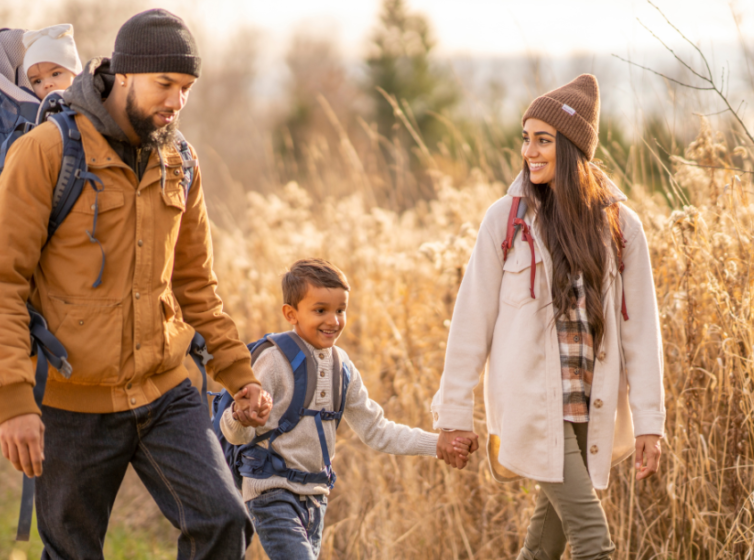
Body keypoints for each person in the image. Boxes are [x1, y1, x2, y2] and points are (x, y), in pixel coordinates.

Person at [0, 9, 271, 559]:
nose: (177, 100)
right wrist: (12, 401)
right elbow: (5, 280)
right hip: (69, 401)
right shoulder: (47, 152)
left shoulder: (181, 161)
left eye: (187, 88)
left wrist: (237, 373)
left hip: (164, 389)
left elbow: (196, 283)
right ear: (123, 74)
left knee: (222, 522)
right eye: (165, 84)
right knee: (72, 551)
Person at [431, 74, 666, 560]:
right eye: (526, 139)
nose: (530, 151)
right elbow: (471, 320)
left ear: (573, 148)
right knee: (593, 543)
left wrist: (650, 423)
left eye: (544, 140)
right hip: (531, 404)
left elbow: (640, 331)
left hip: (591, 403)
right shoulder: (506, 219)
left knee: (544, 545)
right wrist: (453, 413)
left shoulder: (621, 227)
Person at [221, 258, 472, 560]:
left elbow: (377, 431)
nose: (333, 320)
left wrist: (438, 444)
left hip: (315, 498)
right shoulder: (273, 362)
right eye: (320, 310)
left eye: (340, 310)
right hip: (272, 494)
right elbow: (234, 434)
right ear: (291, 313)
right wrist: (240, 416)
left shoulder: (343, 367)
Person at [22, 24, 82, 100]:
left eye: (55, 74)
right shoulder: (37, 109)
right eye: (38, 81)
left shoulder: (92, 101)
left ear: (76, 74)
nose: (47, 84)